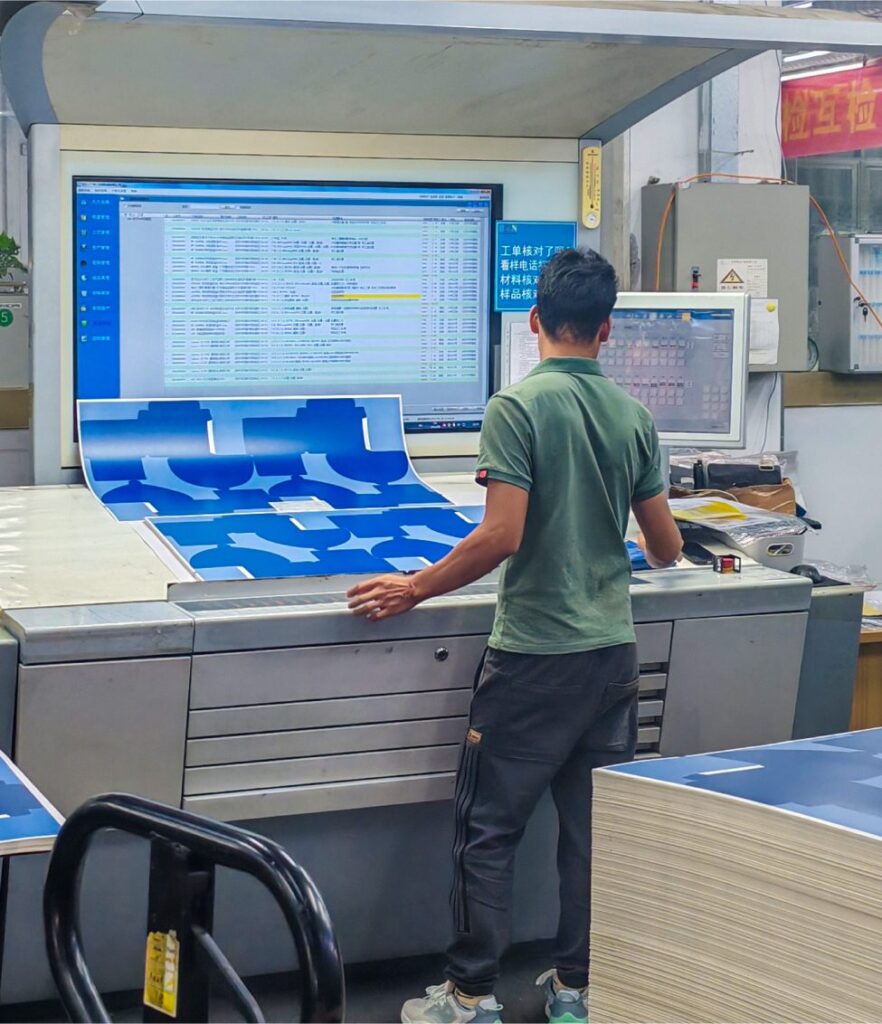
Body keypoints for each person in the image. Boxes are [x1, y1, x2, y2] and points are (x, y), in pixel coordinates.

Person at [347, 248, 683, 1024]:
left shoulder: (517, 407)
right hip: (612, 659)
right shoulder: (633, 417)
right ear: (606, 330)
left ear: (535, 320)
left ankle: (470, 996)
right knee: (590, 836)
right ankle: (577, 989)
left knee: (488, 830)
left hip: (534, 658)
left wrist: (414, 586)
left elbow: (502, 534)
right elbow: (666, 547)